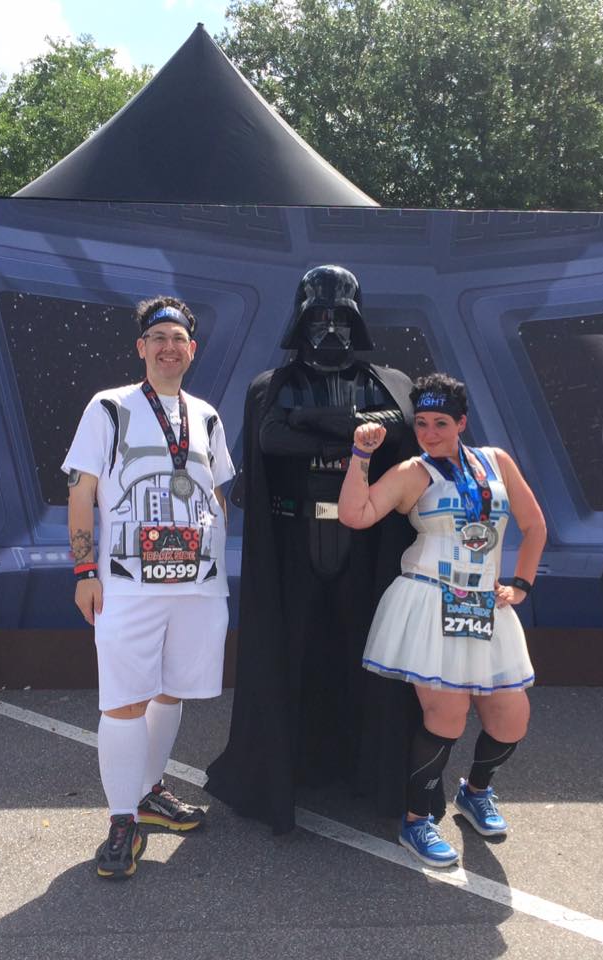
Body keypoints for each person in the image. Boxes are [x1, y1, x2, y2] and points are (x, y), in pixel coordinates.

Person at [206, 264, 442, 833]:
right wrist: (355, 432)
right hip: (294, 542)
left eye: (341, 317)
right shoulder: (273, 384)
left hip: (369, 546)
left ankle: (371, 774)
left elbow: (402, 427)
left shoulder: (391, 381)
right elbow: (272, 439)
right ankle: (284, 774)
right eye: (320, 317)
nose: (330, 328)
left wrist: (310, 421)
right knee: (291, 652)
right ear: (302, 320)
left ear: (356, 321)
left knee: (372, 656)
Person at [338, 372, 547, 867]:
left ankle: (476, 792)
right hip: (430, 603)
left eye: (441, 423)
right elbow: (355, 515)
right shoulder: (413, 471)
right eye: (422, 423)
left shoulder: (496, 461)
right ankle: (416, 821)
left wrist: (521, 584)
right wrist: (361, 456)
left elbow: (534, 524)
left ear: (462, 423)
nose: (429, 433)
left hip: (485, 607)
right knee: (446, 716)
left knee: (511, 719)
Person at [63, 296, 235, 879]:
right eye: (157, 337)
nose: (168, 347)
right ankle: (122, 821)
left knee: (171, 691)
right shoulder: (108, 407)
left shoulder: (206, 415)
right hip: (127, 584)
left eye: (178, 339)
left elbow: (216, 493)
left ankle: (149, 792)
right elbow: (82, 492)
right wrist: (85, 572)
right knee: (125, 698)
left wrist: (216, 566)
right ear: (141, 347)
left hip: (197, 586)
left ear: (192, 349)